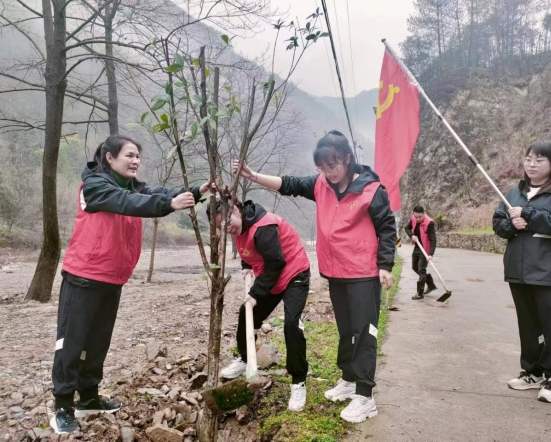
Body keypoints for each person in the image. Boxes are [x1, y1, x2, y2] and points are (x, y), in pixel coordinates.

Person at [232, 130, 397, 424]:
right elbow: (290, 184)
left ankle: (365, 396)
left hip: (363, 273)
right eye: (322, 167)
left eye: (332, 165)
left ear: (347, 159)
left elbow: (387, 227)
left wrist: (385, 265)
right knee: (346, 330)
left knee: (364, 332)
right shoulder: (322, 184)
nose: (328, 172)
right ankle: (349, 379)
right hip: (336, 272)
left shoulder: (371, 190)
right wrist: (253, 176)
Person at [51, 136, 211, 434]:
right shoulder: (94, 186)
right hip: (84, 276)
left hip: (112, 279)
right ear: (110, 158)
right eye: (129, 155)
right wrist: (168, 204)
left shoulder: (133, 187)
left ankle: (88, 398)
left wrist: (196, 191)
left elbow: (157, 192)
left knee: (98, 342)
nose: (136, 161)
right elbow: (128, 202)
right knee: (71, 342)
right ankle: (62, 406)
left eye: (138, 156)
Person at [492, 140, 551, 404]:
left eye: (539, 160)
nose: (532, 165)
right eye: (528, 159)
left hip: (550, 272)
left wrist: (529, 215)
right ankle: (532, 371)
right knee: (528, 325)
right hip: (519, 271)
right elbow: (498, 224)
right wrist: (513, 224)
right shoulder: (514, 192)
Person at [208, 199, 311, 412]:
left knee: (291, 324)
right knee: (247, 312)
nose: (227, 229)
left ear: (235, 210)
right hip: (271, 277)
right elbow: (249, 248)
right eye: (221, 227)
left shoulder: (264, 227)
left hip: (294, 274)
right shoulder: (240, 225)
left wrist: (255, 293)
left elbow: (276, 263)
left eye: (227, 222)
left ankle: (298, 381)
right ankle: (246, 359)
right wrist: (246, 265)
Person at [404, 205, 437, 300]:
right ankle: (430, 284)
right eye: (416, 217)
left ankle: (420, 293)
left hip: (425, 249)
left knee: (421, 270)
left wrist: (430, 254)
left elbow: (433, 239)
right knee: (415, 267)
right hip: (417, 247)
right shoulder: (413, 219)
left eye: (420, 217)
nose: (418, 219)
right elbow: (407, 228)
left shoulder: (429, 223)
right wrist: (412, 235)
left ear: (424, 213)